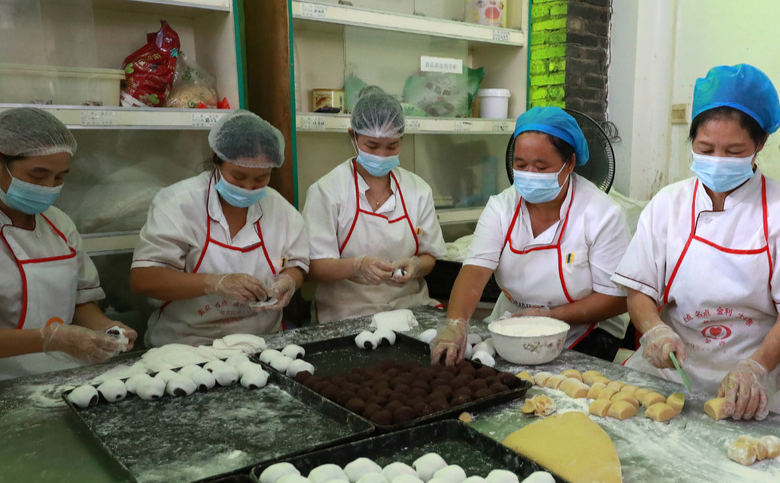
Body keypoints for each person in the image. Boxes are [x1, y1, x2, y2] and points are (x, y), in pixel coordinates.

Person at [612, 64, 780, 420]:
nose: (718, 161)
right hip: (668, 371)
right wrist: (653, 329)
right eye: (706, 148)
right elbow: (639, 290)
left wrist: (754, 369)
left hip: (758, 376)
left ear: (759, 144)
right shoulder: (669, 203)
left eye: (733, 151)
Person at [0, 108, 134, 389]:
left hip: (59, 377)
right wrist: (52, 338)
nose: (49, 187)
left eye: (59, 178)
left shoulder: (58, 223)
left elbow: (80, 301)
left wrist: (105, 329)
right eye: (38, 175)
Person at [432, 106, 630, 364]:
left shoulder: (601, 214)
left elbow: (616, 299)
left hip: (586, 329)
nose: (529, 175)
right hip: (514, 324)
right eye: (521, 165)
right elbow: (474, 271)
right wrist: (456, 324)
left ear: (569, 164)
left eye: (541, 166)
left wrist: (550, 316)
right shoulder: (502, 206)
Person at [130, 110, 310, 347]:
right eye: (238, 176)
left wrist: (288, 282)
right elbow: (143, 279)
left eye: (260, 179)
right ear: (217, 158)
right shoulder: (179, 203)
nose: (248, 187)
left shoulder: (282, 211)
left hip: (260, 342)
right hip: (187, 345)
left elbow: (294, 264)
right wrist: (214, 283)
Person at [303, 86, 445, 323]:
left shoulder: (418, 190)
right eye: (371, 146)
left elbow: (430, 256)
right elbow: (312, 267)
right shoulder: (327, 191)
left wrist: (415, 265)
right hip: (347, 315)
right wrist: (356, 266)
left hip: (409, 311)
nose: (381, 155)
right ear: (353, 136)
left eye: (392, 146)